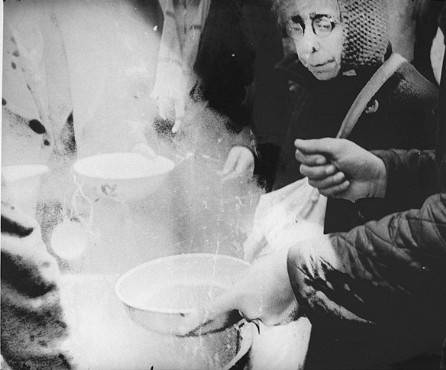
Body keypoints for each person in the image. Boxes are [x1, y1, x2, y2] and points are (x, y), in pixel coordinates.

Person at [234, 0, 439, 233]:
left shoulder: (416, 102)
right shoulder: (302, 85)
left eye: (323, 25)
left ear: (362, 22)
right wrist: (249, 147)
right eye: (297, 28)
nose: (306, 46)